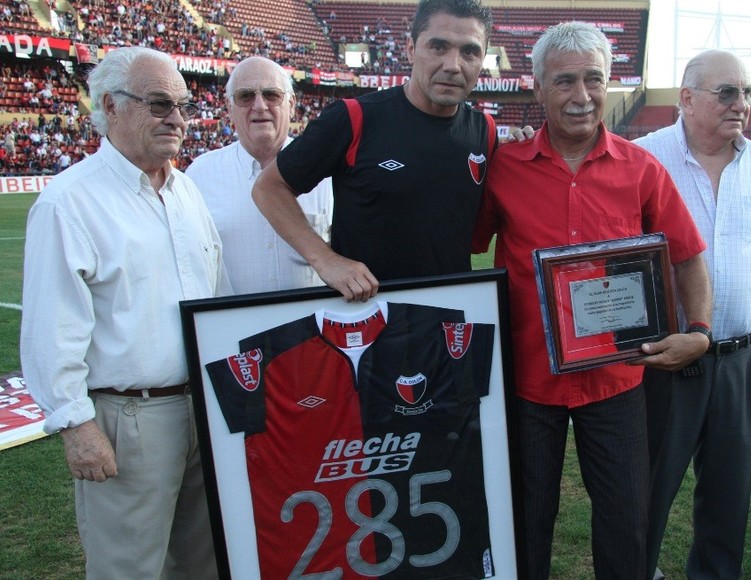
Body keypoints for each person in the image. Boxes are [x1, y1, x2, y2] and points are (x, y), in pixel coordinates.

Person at [473, 22, 713, 579]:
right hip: (529, 381)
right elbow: (463, 242)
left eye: (593, 79)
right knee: (526, 523)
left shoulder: (641, 168)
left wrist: (699, 330)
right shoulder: (504, 168)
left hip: (618, 381)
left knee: (626, 525)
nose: (581, 95)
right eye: (564, 81)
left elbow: (687, 256)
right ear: (538, 88)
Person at [19, 47, 228, 579]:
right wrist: (75, 424)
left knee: (204, 563)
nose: (177, 118)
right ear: (110, 106)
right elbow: (50, 329)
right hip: (130, 419)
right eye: (159, 104)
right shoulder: (70, 202)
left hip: (205, 408)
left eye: (183, 105)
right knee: (128, 568)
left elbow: (216, 296)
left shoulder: (186, 191)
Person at [635, 49, 751, 580]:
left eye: (748, 92)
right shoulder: (644, 157)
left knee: (729, 496)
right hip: (669, 359)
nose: (741, 104)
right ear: (687, 98)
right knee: (647, 489)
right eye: (727, 92)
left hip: (742, 358)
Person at [252, 0, 496, 302]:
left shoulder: (485, 131)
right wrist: (324, 259)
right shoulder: (354, 117)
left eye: (469, 51)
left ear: (483, 59)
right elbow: (269, 187)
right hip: (368, 316)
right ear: (411, 49)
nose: (453, 65)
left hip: (451, 316)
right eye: (438, 47)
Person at [186, 56, 333, 294]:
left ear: (291, 104)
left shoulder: (327, 172)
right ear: (229, 107)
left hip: (314, 318)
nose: (260, 106)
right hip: (234, 319)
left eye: (271, 95)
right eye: (245, 96)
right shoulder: (200, 175)